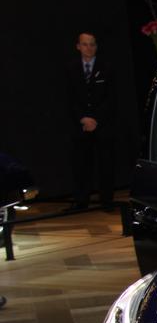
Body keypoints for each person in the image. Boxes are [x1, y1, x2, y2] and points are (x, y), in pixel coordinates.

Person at [66, 32, 116, 210]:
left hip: (102, 123)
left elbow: (111, 97)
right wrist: (83, 118)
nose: (89, 48)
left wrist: (96, 119)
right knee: (81, 163)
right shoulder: (71, 68)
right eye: (85, 44)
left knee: (106, 163)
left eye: (92, 44)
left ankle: (107, 200)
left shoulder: (107, 67)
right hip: (80, 124)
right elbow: (69, 98)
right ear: (78, 46)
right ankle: (81, 200)